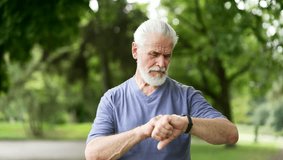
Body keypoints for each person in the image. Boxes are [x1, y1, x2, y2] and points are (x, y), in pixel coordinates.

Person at [85, 19, 239, 160]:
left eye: (167, 56)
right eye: (154, 54)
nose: (161, 63)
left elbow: (231, 134)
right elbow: (93, 154)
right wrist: (143, 131)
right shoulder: (112, 98)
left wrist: (186, 123)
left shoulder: (186, 95)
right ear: (135, 51)